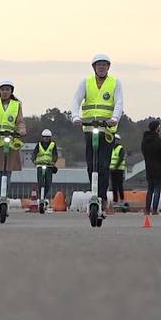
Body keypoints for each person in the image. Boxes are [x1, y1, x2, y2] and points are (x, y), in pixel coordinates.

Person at [72, 54, 123, 216]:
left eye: (104, 65)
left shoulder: (115, 82)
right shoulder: (85, 82)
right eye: (98, 65)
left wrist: (115, 118)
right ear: (94, 67)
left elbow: (119, 103)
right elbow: (76, 100)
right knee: (91, 164)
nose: (101, 67)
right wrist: (75, 116)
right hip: (89, 128)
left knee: (103, 164)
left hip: (106, 129)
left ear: (108, 67)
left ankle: (101, 196)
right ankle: (93, 192)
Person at [0, 80, 26, 202]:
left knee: (8, 171)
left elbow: (20, 121)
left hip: (10, 142)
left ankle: (4, 197)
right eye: (3, 89)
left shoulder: (17, 105)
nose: (5, 92)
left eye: (7, 89)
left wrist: (22, 130)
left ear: (11, 91)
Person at [141, 120, 161, 215]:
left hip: (149, 167)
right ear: (157, 128)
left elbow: (144, 153)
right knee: (157, 189)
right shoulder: (160, 141)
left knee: (150, 189)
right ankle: (154, 210)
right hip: (159, 167)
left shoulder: (144, 141)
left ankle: (147, 209)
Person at [34, 129, 58, 204]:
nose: (46, 138)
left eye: (48, 137)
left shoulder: (53, 145)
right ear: (42, 137)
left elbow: (55, 155)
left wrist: (53, 162)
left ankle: (43, 196)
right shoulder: (39, 144)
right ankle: (40, 197)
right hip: (40, 165)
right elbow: (34, 153)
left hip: (49, 166)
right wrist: (34, 160)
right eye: (44, 137)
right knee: (40, 182)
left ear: (50, 137)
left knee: (48, 183)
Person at [109, 134, 127, 210]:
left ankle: (122, 200)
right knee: (114, 186)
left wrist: (115, 167)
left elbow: (120, 158)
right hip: (112, 170)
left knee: (119, 185)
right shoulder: (111, 149)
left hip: (119, 170)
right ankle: (115, 200)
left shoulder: (120, 149)